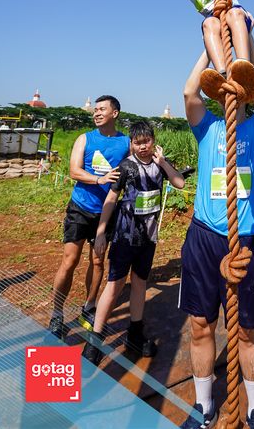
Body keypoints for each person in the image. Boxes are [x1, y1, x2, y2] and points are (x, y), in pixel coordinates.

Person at [180, 36, 254, 429]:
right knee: (200, 325)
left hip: (245, 239)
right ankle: (203, 406)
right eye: (223, 88)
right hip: (203, 238)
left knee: (248, 329)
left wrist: (246, 40)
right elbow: (189, 92)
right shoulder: (208, 128)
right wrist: (212, 43)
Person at [82, 120, 185, 365]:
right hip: (124, 237)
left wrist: (163, 162)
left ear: (153, 141)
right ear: (131, 144)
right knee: (115, 285)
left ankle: (135, 333)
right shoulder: (126, 167)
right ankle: (95, 339)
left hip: (148, 238)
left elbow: (180, 182)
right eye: (137, 143)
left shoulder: (160, 165)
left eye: (146, 141)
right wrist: (101, 232)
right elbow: (111, 198)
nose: (143, 147)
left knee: (140, 283)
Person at [49, 95, 130, 339]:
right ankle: (57, 313)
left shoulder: (125, 142)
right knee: (70, 261)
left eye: (102, 109)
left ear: (115, 113)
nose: (96, 113)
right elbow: (74, 171)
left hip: (106, 212)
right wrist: (99, 179)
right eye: (95, 110)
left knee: (97, 262)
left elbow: (137, 163)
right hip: (80, 208)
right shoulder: (84, 139)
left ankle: (89, 306)